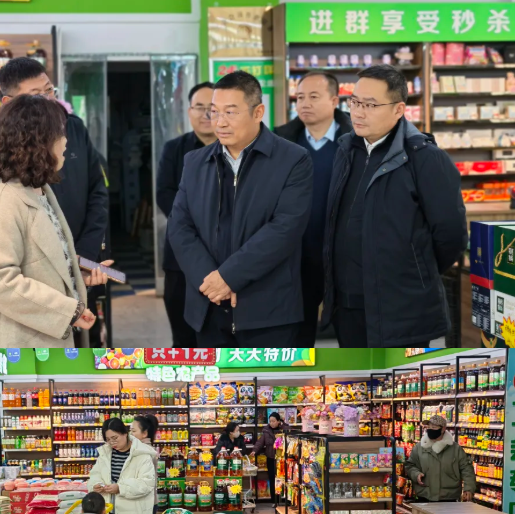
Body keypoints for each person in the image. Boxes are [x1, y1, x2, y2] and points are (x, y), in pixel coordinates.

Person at [321, 64, 468, 347]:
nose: (358, 112)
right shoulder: (346, 150)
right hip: (348, 306)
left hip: (402, 310)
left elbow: (451, 236)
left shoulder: (424, 158)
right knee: (354, 375)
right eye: (354, 102)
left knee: (402, 377)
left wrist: (415, 270)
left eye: (370, 105)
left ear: (399, 109)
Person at [168, 70, 313, 347]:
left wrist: (230, 277)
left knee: (267, 377)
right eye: (215, 111)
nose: (220, 122)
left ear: (258, 112)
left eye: (231, 112)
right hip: (208, 305)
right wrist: (212, 282)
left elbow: (285, 229)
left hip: (267, 311)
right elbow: (180, 227)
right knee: (214, 378)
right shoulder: (195, 162)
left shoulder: (293, 160)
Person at [0, 96, 108, 348]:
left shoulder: (39, 190)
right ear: (38, 141)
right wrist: (67, 311)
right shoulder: (1, 199)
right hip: (14, 350)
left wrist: (73, 274)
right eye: (60, 133)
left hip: (39, 343)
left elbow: (37, 262)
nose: (66, 141)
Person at [0, 57, 110, 266]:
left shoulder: (74, 128)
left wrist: (85, 253)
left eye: (49, 90)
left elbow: (97, 191)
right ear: (9, 103)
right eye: (37, 95)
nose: (48, 100)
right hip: (30, 267)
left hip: (82, 256)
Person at [275, 72, 352, 347]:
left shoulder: (355, 140)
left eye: (313, 96)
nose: (304, 103)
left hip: (344, 255)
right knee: (297, 336)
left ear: (334, 100)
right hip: (297, 255)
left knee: (352, 336)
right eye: (300, 97)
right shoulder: (282, 141)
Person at [157, 82, 216, 348]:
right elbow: (164, 194)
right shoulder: (174, 149)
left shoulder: (237, 149)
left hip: (224, 255)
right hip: (180, 254)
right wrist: (199, 226)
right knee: (183, 337)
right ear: (189, 111)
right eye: (199, 107)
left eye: (212, 108)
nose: (206, 114)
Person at [87, 418, 155, 514]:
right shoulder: (105, 454)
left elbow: (146, 483)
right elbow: (95, 474)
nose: (112, 442)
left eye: (115, 438)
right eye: (108, 439)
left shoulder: (142, 455)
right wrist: (95, 485)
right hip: (108, 512)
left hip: (133, 513)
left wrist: (120, 488)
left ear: (125, 433)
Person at [405, 415, 475, 503]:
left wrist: (469, 488)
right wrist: (416, 474)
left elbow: (467, 469)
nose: (430, 430)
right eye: (428, 427)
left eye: (434, 427)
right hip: (425, 495)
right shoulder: (419, 447)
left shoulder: (455, 449)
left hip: (448, 497)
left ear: (443, 429)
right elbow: (410, 465)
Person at [253, 412, 286, 506]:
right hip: (271, 458)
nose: (271, 423)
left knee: (284, 479)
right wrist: (254, 450)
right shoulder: (266, 431)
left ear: (278, 421)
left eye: (273, 421)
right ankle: (274, 501)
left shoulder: (285, 429)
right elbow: (260, 442)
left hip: (282, 459)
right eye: (270, 421)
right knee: (272, 479)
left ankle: (285, 500)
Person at [129, 414, 160, 514]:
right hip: (145, 501)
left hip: (144, 503)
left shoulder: (144, 451)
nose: (130, 434)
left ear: (144, 433)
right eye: (130, 431)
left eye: (133, 431)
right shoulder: (139, 449)